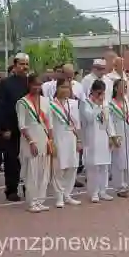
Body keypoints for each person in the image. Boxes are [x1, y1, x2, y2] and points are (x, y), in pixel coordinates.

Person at [16, 73, 54, 212]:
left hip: (44, 139)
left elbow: (49, 124)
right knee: (32, 172)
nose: (37, 87)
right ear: (29, 85)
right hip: (30, 140)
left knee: (44, 172)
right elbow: (22, 125)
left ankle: (40, 200)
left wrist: (51, 141)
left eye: (39, 84)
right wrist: (31, 142)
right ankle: (32, 201)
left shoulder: (46, 101)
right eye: (34, 84)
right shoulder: (22, 102)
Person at [0, 53, 31, 201]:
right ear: (15, 65)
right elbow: (1, 107)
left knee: (28, 160)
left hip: (29, 129)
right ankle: (11, 189)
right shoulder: (5, 83)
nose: (24, 67)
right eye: (21, 64)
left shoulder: (31, 83)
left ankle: (28, 187)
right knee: (11, 160)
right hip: (12, 128)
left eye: (26, 64)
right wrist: (4, 128)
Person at [49, 77, 82, 207]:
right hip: (58, 137)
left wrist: (79, 140)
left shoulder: (73, 103)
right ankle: (59, 196)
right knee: (59, 168)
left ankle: (67, 194)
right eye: (63, 87)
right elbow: (49, 125)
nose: (66, 90)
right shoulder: (51, 104)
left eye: (68, 87)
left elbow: (77, 124)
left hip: (71, 137)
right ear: (57, 88)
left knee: (72, 167)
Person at [81, 80, 115, 203]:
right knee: (94, 167)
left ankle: (103, 190)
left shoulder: (105, 104)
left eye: (103, 93)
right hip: (92, 138)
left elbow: (109, 121)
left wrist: (112, 136)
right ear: (93, 91)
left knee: (104, 166)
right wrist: (96, 105)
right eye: (99, 92)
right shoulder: (86, 103)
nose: (101, 95)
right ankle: (94, 192)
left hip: (104, 137)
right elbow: (89, 118)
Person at [108, 78, 129, 198]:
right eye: (123, 86)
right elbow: (109, 121)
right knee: (119, 160)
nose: (125, 89)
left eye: (126, 86)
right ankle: (120, 187)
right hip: (119, 134)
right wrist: (113, 136)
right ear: (116, 88)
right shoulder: (111, 104)